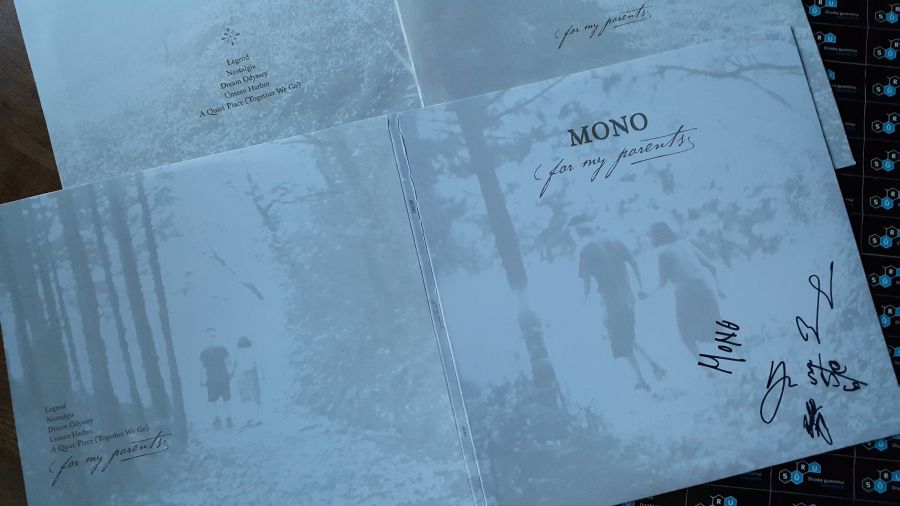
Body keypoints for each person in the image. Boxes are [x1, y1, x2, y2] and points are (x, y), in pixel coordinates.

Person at [579, 237, 665, 391]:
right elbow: (634, 263)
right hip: (628, 299)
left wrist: (585, 305)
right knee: (628, 339)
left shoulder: (586, 251)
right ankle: (647, 372)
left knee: (624, 343)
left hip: (612, 304)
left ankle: (648, 372)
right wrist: (641, 286)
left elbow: (587, 283)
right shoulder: (615, 242)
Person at [643, 222, 723, 357]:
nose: (650, 239)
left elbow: (662, 282)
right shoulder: (686, 244)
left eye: (651, 236)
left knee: (687, 335)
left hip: (686, 295)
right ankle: (743, 354)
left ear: (658, 237)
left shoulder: (665, 254)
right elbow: (711, 267)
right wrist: (719, 288)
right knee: (718, 326)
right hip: (704, 289)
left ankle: (704, 365)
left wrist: (648, 294)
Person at [200, 328, 233, 430]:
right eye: (210, 336)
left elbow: (228, 362)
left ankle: (227, 419)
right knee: (214, 401)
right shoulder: (205, 352)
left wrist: (230, 372)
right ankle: (219, 420)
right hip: (212, 379)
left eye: (213, 336)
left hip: (222, 377)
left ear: (215, 337)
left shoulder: (220, 349)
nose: (211, 338)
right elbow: (202, 367)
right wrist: (202, 379)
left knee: (225, 399)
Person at [235, 336, 262, 428]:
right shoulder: (250, 351)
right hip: (248, 375)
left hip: (245, 375)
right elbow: (257, 363)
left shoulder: (240, 352)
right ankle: (255, 417)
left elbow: (236, 365)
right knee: (253, 397)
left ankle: (253, 417)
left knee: (248, 398)